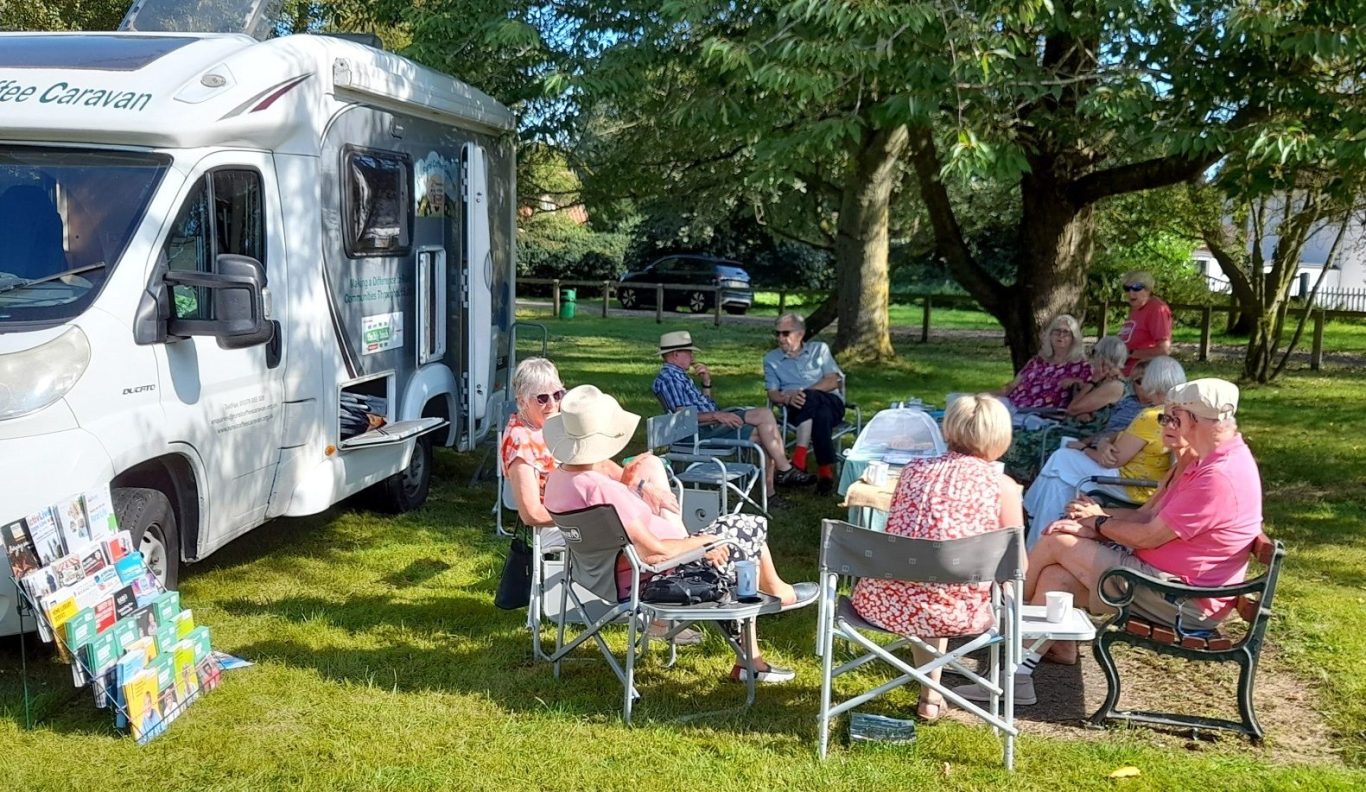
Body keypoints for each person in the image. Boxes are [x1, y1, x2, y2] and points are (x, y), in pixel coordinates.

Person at [964, 378, 1261, 706]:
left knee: (1057, 541)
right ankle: (1020, 675)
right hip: (1162, 583)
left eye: (1175, 416)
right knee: (1056, 578)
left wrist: (1097, 524)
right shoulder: (1207, 461)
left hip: (1181, 599)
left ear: (1194, 420)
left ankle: (995, 622)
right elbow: (1148, 520)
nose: (1169, 423)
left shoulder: (1217, 475)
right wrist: (1096, 525)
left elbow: (1150, 534)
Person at [542, 385, 819, 684]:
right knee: (742, 535)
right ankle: (769, 617)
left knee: (736, 536)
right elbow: (654, 552)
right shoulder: (603, 491)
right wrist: (702, 543)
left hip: (598, 575)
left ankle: (751, 653)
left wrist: (646, 490)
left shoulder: (560, 480)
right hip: (650, 577)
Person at [848, 394, 1024, 720]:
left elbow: (900, 534)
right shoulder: (1002, 487)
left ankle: (930, 696)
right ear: (999, 437)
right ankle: (930, 697)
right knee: (940, 586)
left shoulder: (912, 472)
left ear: (949, 429)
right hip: (960, 612)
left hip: (883, 603)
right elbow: (1016, 567)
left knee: (925, 581)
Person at [501, 359, 695, 643]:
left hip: (590, 506)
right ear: (521, 400)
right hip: (565, 523)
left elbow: (601, 463)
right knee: (648, 530)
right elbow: (531, 514)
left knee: (650, 465)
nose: (552, 403)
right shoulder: (521, 441)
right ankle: (673, 579)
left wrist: (643, 488)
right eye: (541, 398)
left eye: (558, 394)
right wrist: (588, 514)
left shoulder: (558, 423)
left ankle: (669, 573)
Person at [1022, 356, 1187, 546]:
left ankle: (1030, 512)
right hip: (1147, 485)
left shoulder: (1152, 416)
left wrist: (1085, 448)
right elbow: (1119, 436)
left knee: (1062, 458)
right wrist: (1103, 442)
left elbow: (1113, 459)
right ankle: (1041, 537)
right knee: (1059, 481)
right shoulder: (1177, 415)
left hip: (1129, 484)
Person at [653, 330, 815, 497]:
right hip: (696, 435)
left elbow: (707, 406)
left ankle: (772, 490)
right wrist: (717, 416)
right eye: (689, 352)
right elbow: (683, 418)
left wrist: (707, 383)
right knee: (764, 415)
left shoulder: (680, 377)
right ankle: (784, 471)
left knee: (765, 435)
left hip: (708, 427)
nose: (692, 356)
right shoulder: (668, 378)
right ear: (675, 354)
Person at [1000, 335, 1130, 481]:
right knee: (1008, 439)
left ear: (1104, 358)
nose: (1092, 360)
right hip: (1068, 429)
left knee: (1013, 443)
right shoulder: (1105, 381)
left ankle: (1015, 486)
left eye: (1095, 354)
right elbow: (1075, 408)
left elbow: (1072, 408)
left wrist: (1092, 382)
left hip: (1078, 436)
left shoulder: (1113, 386)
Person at [763, 313, 847, 495]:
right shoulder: (771, 359)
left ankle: (799, 458)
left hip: (830, 402)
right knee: (820, 414)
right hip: (794, 406)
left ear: (800, 334)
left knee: (814, 399)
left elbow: (833, 381)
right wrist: (786, 398)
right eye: (776, 333)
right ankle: (825, 473)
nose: (780, 338)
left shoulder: (820, 350)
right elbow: (772, 393)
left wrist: (803, 392)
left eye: (785, 333)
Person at [998, 315, 1091, 410]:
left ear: (1074, 338)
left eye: (1066, 332)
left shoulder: (1081, 366)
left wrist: (1076, 381)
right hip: (1011, 405)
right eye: (1057, 331)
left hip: (1039, 414)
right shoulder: (1037, 361)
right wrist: (986, 396)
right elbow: (1012, 386)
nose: (1061, 335)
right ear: (1050, 335)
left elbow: (1090, 388)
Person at [1117, 271, 1173, 376]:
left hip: (1142, 376)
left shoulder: (1156, 309)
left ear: (1148, 290)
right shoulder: (1136, 308)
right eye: (1127, 288)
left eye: (1136, 288)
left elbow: (1163, 350)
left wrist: (1130, 354)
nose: (1131, 293)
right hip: (1123, 372)